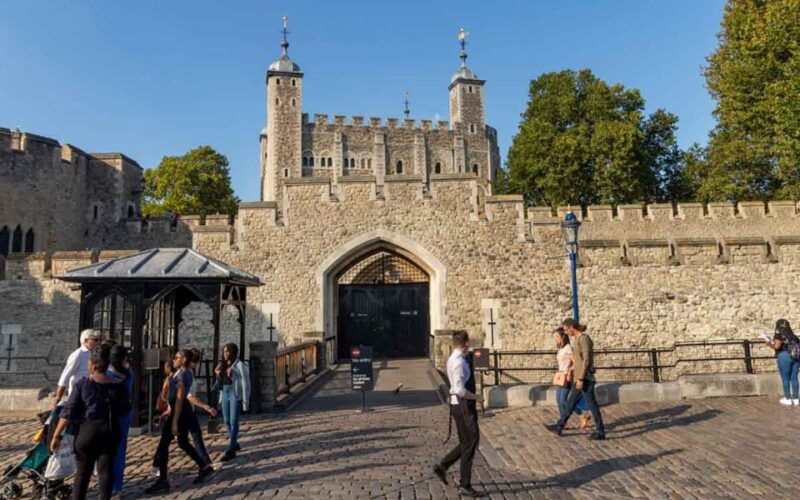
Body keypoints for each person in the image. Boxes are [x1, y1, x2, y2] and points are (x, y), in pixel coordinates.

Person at [50, 346, 129, 500]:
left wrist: (56, 435)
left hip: (88, 430)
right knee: (106, 471)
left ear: (93, 365)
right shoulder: (118, 386)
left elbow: (67, 411)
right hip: (110, 430)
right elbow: (124, 410)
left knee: (82, 473)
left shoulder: (82, 385)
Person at [145, 350, 214, 494]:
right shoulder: (181, 373)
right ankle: (204, 467)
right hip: (180, 412)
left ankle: (162, 478)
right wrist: (167, 413)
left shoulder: (183, 375)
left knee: (164, 444)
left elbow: (180, 399)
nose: (173, 359)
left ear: (183, 360)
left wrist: (174, 420)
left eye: (176, 357)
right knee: (182, 442)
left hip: (180, 414)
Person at [432, 330, 482, 498]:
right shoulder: (459, 362)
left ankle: (443, 466)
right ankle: (465, 484)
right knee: (472, 441)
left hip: (457, 405)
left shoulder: (453, 358)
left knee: (465, 441)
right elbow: (460, 390)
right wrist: (477, 397)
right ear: (466, 343)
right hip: (463, 406)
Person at [548, 318, 606, 440]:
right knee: (570, 404)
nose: (565, 332)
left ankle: (600, 432)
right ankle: (559, 426)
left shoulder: (584, 339)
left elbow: (586, 360)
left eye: (565, 329)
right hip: (578, 378)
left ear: (571, 327)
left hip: (585, 379)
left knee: (592, 405)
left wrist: (580, 378)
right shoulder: (577, 340)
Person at [215, 343, 250, 462]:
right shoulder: (222, 365)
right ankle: (234, 443)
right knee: (226, 421)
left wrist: (245, 401)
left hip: (235, 394)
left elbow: (245, 383)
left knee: (233, 420)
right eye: (224, 351)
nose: (225, 354)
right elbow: (220, 382)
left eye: (227, 352)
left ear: (233, 353)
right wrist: (218, 375)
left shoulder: (239, 366)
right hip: (225, 392)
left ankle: (231, 449)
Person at [106, 345, 132, 498]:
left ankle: (108, 484)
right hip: (123, 415)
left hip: (109, 416)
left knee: (107, 452)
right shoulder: (128, 374)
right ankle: (117, 486)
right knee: (119, 452)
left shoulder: (107, 374)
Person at [552, 327, 590, 429]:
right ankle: (564, 421)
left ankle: (580, 415)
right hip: (561, 377)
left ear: (563, 336)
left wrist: (569, 371)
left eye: (556, 336)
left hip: (567, 378)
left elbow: (576, 362)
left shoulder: (568, 348)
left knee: (564, 401)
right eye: (554, 336)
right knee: (559, 399)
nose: (555, 338)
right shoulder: (561, 348)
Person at [53, 329, 101, 406]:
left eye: (98, 340)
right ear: (86, 340)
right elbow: (65, 375)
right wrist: (58, 398)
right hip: (77, 393)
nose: (98, 342)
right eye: (95, 340)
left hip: (89, 392)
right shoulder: (78, 354)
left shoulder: (93, 353)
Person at [186, 347, 215, 465]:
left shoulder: (187, 372)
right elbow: (189, 396)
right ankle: (204, 461)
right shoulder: (187, 374)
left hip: (186, 409)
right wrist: (205, 406)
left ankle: (204, 460)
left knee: (195, 435)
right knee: (187, 439)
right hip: (183, 409)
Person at [767, 318, 800, 405]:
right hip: (796, 357)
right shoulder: (793, 336)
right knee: (794, 378)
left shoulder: (779, 334)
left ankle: (787, 398)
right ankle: (796, 399)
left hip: (784, 356)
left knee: (785, 378)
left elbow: (777, 346)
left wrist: (769, 344)